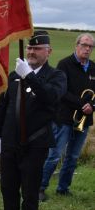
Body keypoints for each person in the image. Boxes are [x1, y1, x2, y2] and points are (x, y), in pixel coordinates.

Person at [0, 30, 66, 210]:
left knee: (29, 193)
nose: (31, 52)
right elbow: (3, 106)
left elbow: (51, 98)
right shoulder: (14, 76)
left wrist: (30, 76)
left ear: (48, 52)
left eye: (37, 48)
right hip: (10, 143)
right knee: (8, 188)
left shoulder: (56, 76)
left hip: (35, 144)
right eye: (30, 48)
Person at [40, 33, 95, 198]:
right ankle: (40, 188)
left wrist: (92, 106)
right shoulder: (64, 64)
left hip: (84, 120)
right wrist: (82, 104)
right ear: (76, 45)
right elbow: (61, 91)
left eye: (90, 46)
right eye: (84, 45)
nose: (87, 49)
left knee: (73, 156)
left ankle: (63, 188)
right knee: (54, 155)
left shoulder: (93, 67)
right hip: (64, 118)